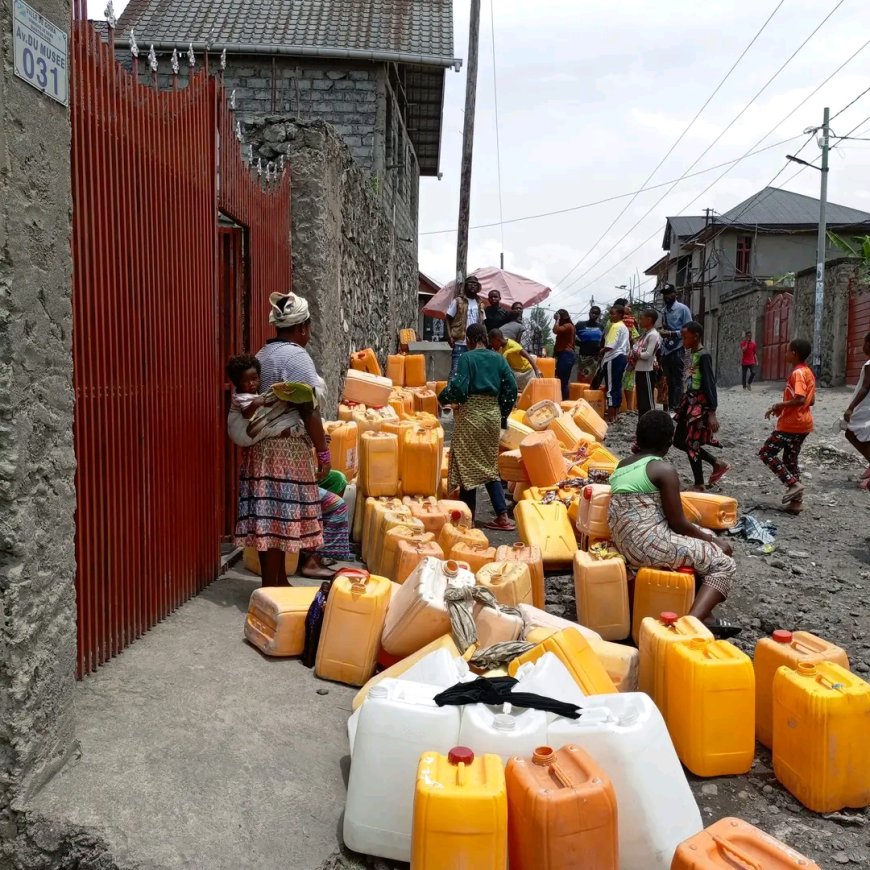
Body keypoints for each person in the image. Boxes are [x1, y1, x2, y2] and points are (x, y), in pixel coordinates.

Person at [235, 291, 334, 585]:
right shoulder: (297, 357)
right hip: (286, 449)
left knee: (269, 518)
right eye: (309, 328)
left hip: (261, 447)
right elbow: (308, 409)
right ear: (302, 327)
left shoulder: (262, 355)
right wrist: (323, 452)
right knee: (282, 517)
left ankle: (274, 581)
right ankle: (275, 584)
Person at [609, 410, 736, 633]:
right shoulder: (663, 470)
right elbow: (677, 522)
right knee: (722, 562)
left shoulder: (623, 465)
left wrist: (706, 537)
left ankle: (705, 614)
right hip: (648, 545)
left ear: (637, 437)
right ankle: (689, 625)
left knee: (703, 538)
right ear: (669, 443)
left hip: (625, 542)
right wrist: (713, 541)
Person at [438, 323, 517, 530]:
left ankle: (468, 518)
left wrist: (443, 397)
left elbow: (459, 387)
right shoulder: (499, 359)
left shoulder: (467, 358)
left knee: (466, 465)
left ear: (470, 340)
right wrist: (502, 413)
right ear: (486, 338)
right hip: (492, 415)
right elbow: (512, 388)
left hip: (471, 415)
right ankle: (502, 516)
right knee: (489, 465)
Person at [760, 338, 816, 512]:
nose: (785, 353)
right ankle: (796, 502)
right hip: (804, 424)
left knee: (767, 453)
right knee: (790, 459)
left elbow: (799, 399)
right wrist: (786, 407)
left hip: (792, 424)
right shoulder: (808, 372)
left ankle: (792, 484)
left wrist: (779, 405)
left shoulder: (797, 373)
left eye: (788, 350)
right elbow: (810, 400)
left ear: (794, 353)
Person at [673, 321, 729, 490]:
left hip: (700, 405)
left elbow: (710, 384)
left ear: (696, 336)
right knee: (679, 441)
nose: (683, 340)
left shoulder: (704, 355)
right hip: (689, 402)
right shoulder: (691, 353)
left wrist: (712, 412)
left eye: (685, 336)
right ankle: (716, 463)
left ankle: (699, 483)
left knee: (692, 443)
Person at [659, 284, 693, 412]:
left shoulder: (683, 309)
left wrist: (672, 333)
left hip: (679, 348)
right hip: (666, 349)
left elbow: (689, 329)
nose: (666, 296)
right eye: (664, 294)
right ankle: (668, 407)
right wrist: (663, 332)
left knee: (678, 380)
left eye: (669, 293)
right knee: (667, 380)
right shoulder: (663, 311)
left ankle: (677, 407)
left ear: (675, 294)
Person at [446, 276, 487, 377]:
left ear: (478, 287)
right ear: (465, 286)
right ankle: (453, 391)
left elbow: (483, 323)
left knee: (474, 372)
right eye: (470, 283)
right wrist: (449, 336)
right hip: (460, 341)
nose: (473, 285)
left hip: (475, 343)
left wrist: (485, 339)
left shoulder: (480, 303)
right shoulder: (458, 301)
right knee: (456, 371)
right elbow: (447, 318)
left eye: (475, 284)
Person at [843, 332, 870, 487]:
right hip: (866, 406)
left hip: (865, 407)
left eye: (864, 342)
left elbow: (865, 387)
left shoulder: (869, 364)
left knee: (852, 432)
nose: (862, 346)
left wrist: (850, 408)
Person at [600, 304, 630, 423]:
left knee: (611, 387)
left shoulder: (615, 326)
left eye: (613, 313)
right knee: (617, 386)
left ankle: (611, 416)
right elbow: (627, 346)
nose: (610, 316)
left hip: (613, 357)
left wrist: (602, 350)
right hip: (622, 356)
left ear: (620, 315)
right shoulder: (624, 327)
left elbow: (610, 345)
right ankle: (615, 414)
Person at [489, 328, 541, 394]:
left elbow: (528, 356)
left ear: (497, 339)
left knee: (531, 392)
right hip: (517, 372)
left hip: (527, 372)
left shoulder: (512, 345)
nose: (492, 346)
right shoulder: (501, 349)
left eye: (492, 342)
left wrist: (537, 370)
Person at [632, 309, 661, 416]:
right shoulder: (646, 334)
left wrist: (636, 353)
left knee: (647, 402)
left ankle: (651, 426)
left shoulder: (653, 334)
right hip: (640, 370)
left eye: (641, 318)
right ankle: (641, 427)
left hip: (647, 371)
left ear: (649, 319)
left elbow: (648, 354)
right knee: (641, 402)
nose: (639, 321)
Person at [574, 305, 604, 383]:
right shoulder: (580, 325)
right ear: (589, 313)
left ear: (599, 315)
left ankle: (591, 395)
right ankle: (581, 394)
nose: (594, 314)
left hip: (596, 358)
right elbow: (571, 334)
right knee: (582, 378)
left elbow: (604, 340)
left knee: (594, 379)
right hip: (583, 357)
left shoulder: (601, 327)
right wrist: (578, 343)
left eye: (596, 313)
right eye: (592, 312)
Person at [552, 309, 577, 401]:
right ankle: (562, 400)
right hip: (564, 355)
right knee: (561, 380)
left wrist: (556, 320)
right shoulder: (569, 326)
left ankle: (565, 401)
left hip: (566, 355)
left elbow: (555, 330)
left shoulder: (568, 326)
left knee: (563, 381)